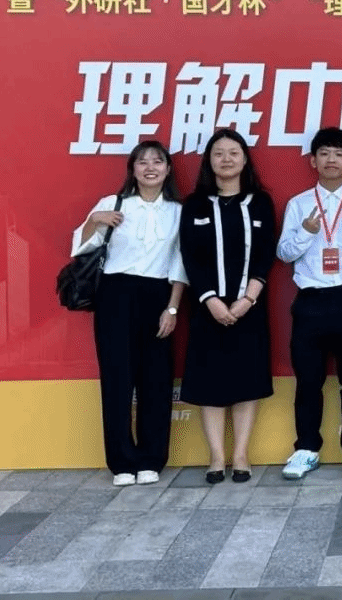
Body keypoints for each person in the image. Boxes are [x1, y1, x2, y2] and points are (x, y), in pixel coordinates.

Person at [72, 141, 187, 487]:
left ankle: (151, 458)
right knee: (117, 379)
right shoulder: (114, 203)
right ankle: (122, 462)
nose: (150, 168)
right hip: (115, 295)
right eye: (142, 162)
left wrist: (172, 308)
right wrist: (95, 220)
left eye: (157, 161)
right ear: (132, 169)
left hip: (158, 295)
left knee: (156, 380)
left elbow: (180, 264)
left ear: (168, 169)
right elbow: (80, 246)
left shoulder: (178, 211)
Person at [277, 128, 342, 482]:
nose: (331, 160)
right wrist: (307, 231)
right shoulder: (298, 204)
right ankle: (307, 449)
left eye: (339, 154)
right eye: (324, 153)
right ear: (313, 160)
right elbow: (284, 253)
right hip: (310, 301)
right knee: (309, 381)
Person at [179, 128, 276, 485]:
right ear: (209, 160)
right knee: (211, 383)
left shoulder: (260, 202)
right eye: (218, 153)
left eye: (233, 153)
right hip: (207, 309)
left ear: (245, 159)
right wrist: (211, 300)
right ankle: (216, 457)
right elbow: (190, 255)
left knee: (246, 381)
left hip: (250, 307)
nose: (226, 159)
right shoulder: (195, 204)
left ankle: (241, 456)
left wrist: (248, 298)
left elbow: (265, 253)